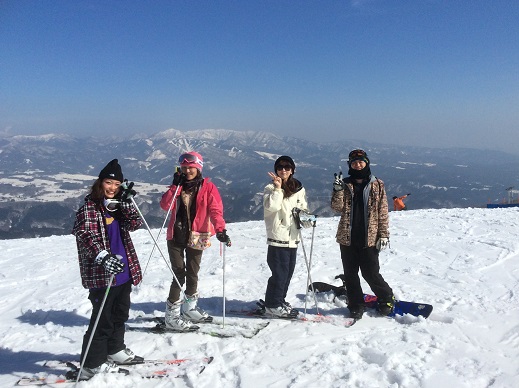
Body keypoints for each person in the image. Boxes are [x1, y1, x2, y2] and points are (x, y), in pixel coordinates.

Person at [72, 159, 143, 379]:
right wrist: (103, 257)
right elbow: (84, 234)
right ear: (100, 183)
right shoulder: (90, 208)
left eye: (116, 184)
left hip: (123, 271)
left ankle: (115, 349)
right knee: (102, 320)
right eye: (108, 182)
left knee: (119, 314)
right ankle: (91, 364)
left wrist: (128, 202)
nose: (112, 188)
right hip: (103, 275)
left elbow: (135, 224)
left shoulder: (117, 206)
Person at [160, 151, 231, 331]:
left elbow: (216, 210)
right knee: (179, 274)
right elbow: (165, 206)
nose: (187, 170)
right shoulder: (177, 186)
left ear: (198, 167)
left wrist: (221, 229)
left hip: (198, 235)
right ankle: (172, 316)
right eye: (184, 167)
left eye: (191, 167)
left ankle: (189, 308)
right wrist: (174, 187)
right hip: (175, 236)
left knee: (193, 272)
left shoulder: (208, 187)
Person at [331, 149, 394, 320]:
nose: (358, 165)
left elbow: (383, 211)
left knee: (371, 273)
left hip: (370, 238)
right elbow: (337, 208)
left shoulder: (377, 184)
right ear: (350, 165)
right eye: (354, 162)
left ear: (367, 163)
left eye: (361, 161)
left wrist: (384, 234)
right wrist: (337, 190)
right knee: (350, 275)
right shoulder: (345, 184)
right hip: (347, 237)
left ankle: (387, 297)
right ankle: (356, 304)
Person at [262, 156, 308, 318]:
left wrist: (306, 219)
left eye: (287, 168)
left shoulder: (298, 189)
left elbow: (303, 208)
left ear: (292, 170)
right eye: (280, 168)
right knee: (279, 274)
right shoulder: (270, 188)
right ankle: (273, 305)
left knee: (287, 273)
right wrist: (277, 189)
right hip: (277, 237)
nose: (283, 171)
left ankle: (279, 300)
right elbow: (271, 207)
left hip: (292, 237)